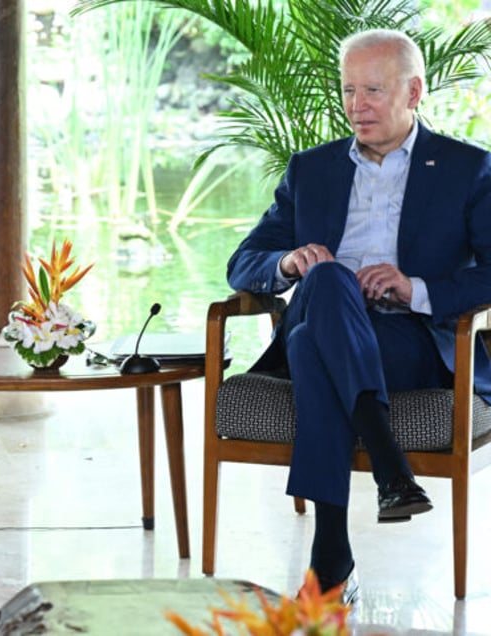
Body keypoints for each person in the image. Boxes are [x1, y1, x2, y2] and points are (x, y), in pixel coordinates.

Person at [226, 28, 491, 601]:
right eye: (348, 90)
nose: (356, 105)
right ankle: (387, 462)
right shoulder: (311, 169)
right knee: (324, 279)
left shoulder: (467, 169)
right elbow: (244, 262)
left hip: (407, 338)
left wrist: (414, 287)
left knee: (309, 351)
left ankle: (331, 557)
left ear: (414, 91)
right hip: (324, 315)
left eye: (373, 90)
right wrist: (289, 263)